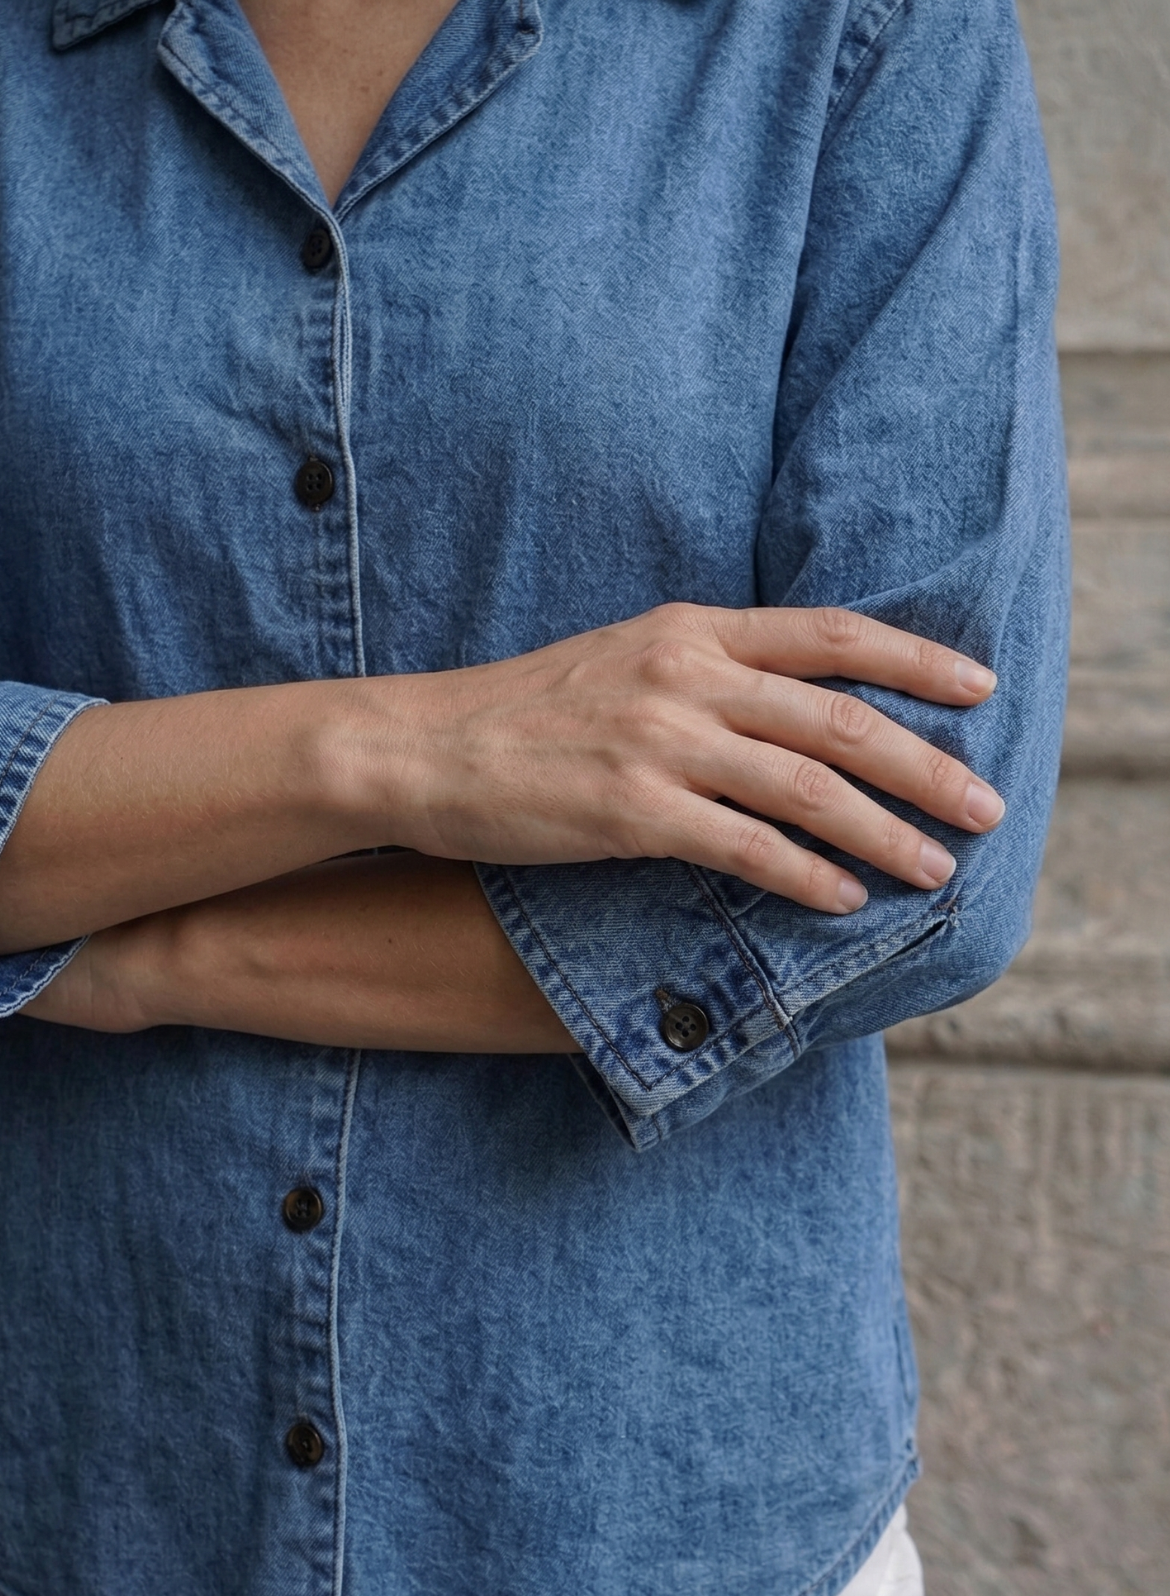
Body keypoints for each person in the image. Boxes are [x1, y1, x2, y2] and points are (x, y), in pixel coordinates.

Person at [0, 0, 1068, 1590]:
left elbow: (921, 859)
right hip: (80, 1467)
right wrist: (411, 750)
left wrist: (145, 953)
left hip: (661, 1498)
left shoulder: (856, 32)